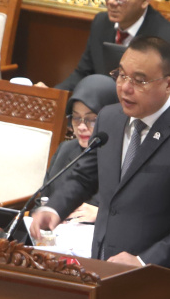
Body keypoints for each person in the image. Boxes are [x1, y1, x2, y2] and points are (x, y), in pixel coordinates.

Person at [31, 36, 170, 276]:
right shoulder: (109, 119)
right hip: (101, 267)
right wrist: (55, 209)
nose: (125, 88)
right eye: (121, 75)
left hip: (157, 278)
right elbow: (84, 177)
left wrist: (144, 261)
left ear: (169, 84)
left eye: (139, 81)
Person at [40, 74, 118, 223]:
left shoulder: (127, 157)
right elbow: (43, 200)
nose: (81, 127)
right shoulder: (66, 149)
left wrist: (102, 214)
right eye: (76, 118)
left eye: (92, 120)